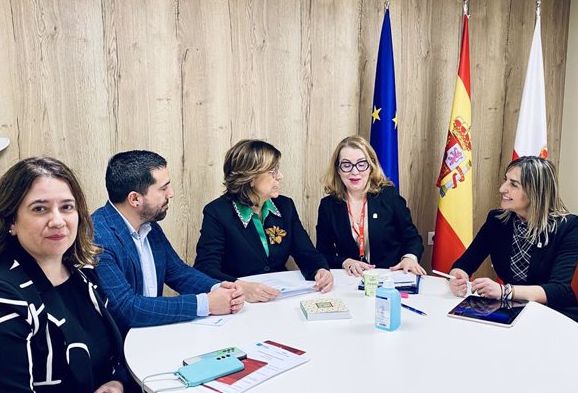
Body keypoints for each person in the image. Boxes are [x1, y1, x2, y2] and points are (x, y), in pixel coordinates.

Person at [0, 157, 305, 393]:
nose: (58, 220)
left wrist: (117, 383)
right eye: (40, 208)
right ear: (11, 220)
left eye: (67, 207)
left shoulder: (77, 274)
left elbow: (115, 339)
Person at [92, 151, 245, 335]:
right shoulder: (97, 237)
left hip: (154, 333)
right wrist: (206, 304)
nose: (170, 194)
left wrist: (220, 288)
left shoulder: (148, 224)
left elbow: (178, 272)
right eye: (163, 188)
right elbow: (127, 308)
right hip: (121, 348)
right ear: (134, 199)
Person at [448, 155, 578, 327]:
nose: (502, 189)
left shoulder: (567, 225)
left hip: (554, 316)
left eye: (513, 185)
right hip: (512, 312)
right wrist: (457, 275)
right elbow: (465, 263)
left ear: (536, 192)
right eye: (505, 181)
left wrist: (505, 291)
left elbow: (558, 289)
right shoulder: (497, 220)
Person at [194, 139, 333, 302]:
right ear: (250, 178)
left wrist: (320, 270)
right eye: (272, 171)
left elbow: (306, 252)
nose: (280, 176)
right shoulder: (217, 212)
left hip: (278, 298)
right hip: (238, 303)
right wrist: (241, 287)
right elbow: (205, 269)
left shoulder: (285, 206)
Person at [316, 135, 425, 277]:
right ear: (338, 169)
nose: (354, 172)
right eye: (346, 165)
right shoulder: (328, 206)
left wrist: (409, 258)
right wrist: (345, 261)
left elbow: (412, 238)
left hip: (389, 279)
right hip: (351, 281)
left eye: (361, 164)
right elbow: (323, 254)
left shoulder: (388, 196)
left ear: (371, 166)